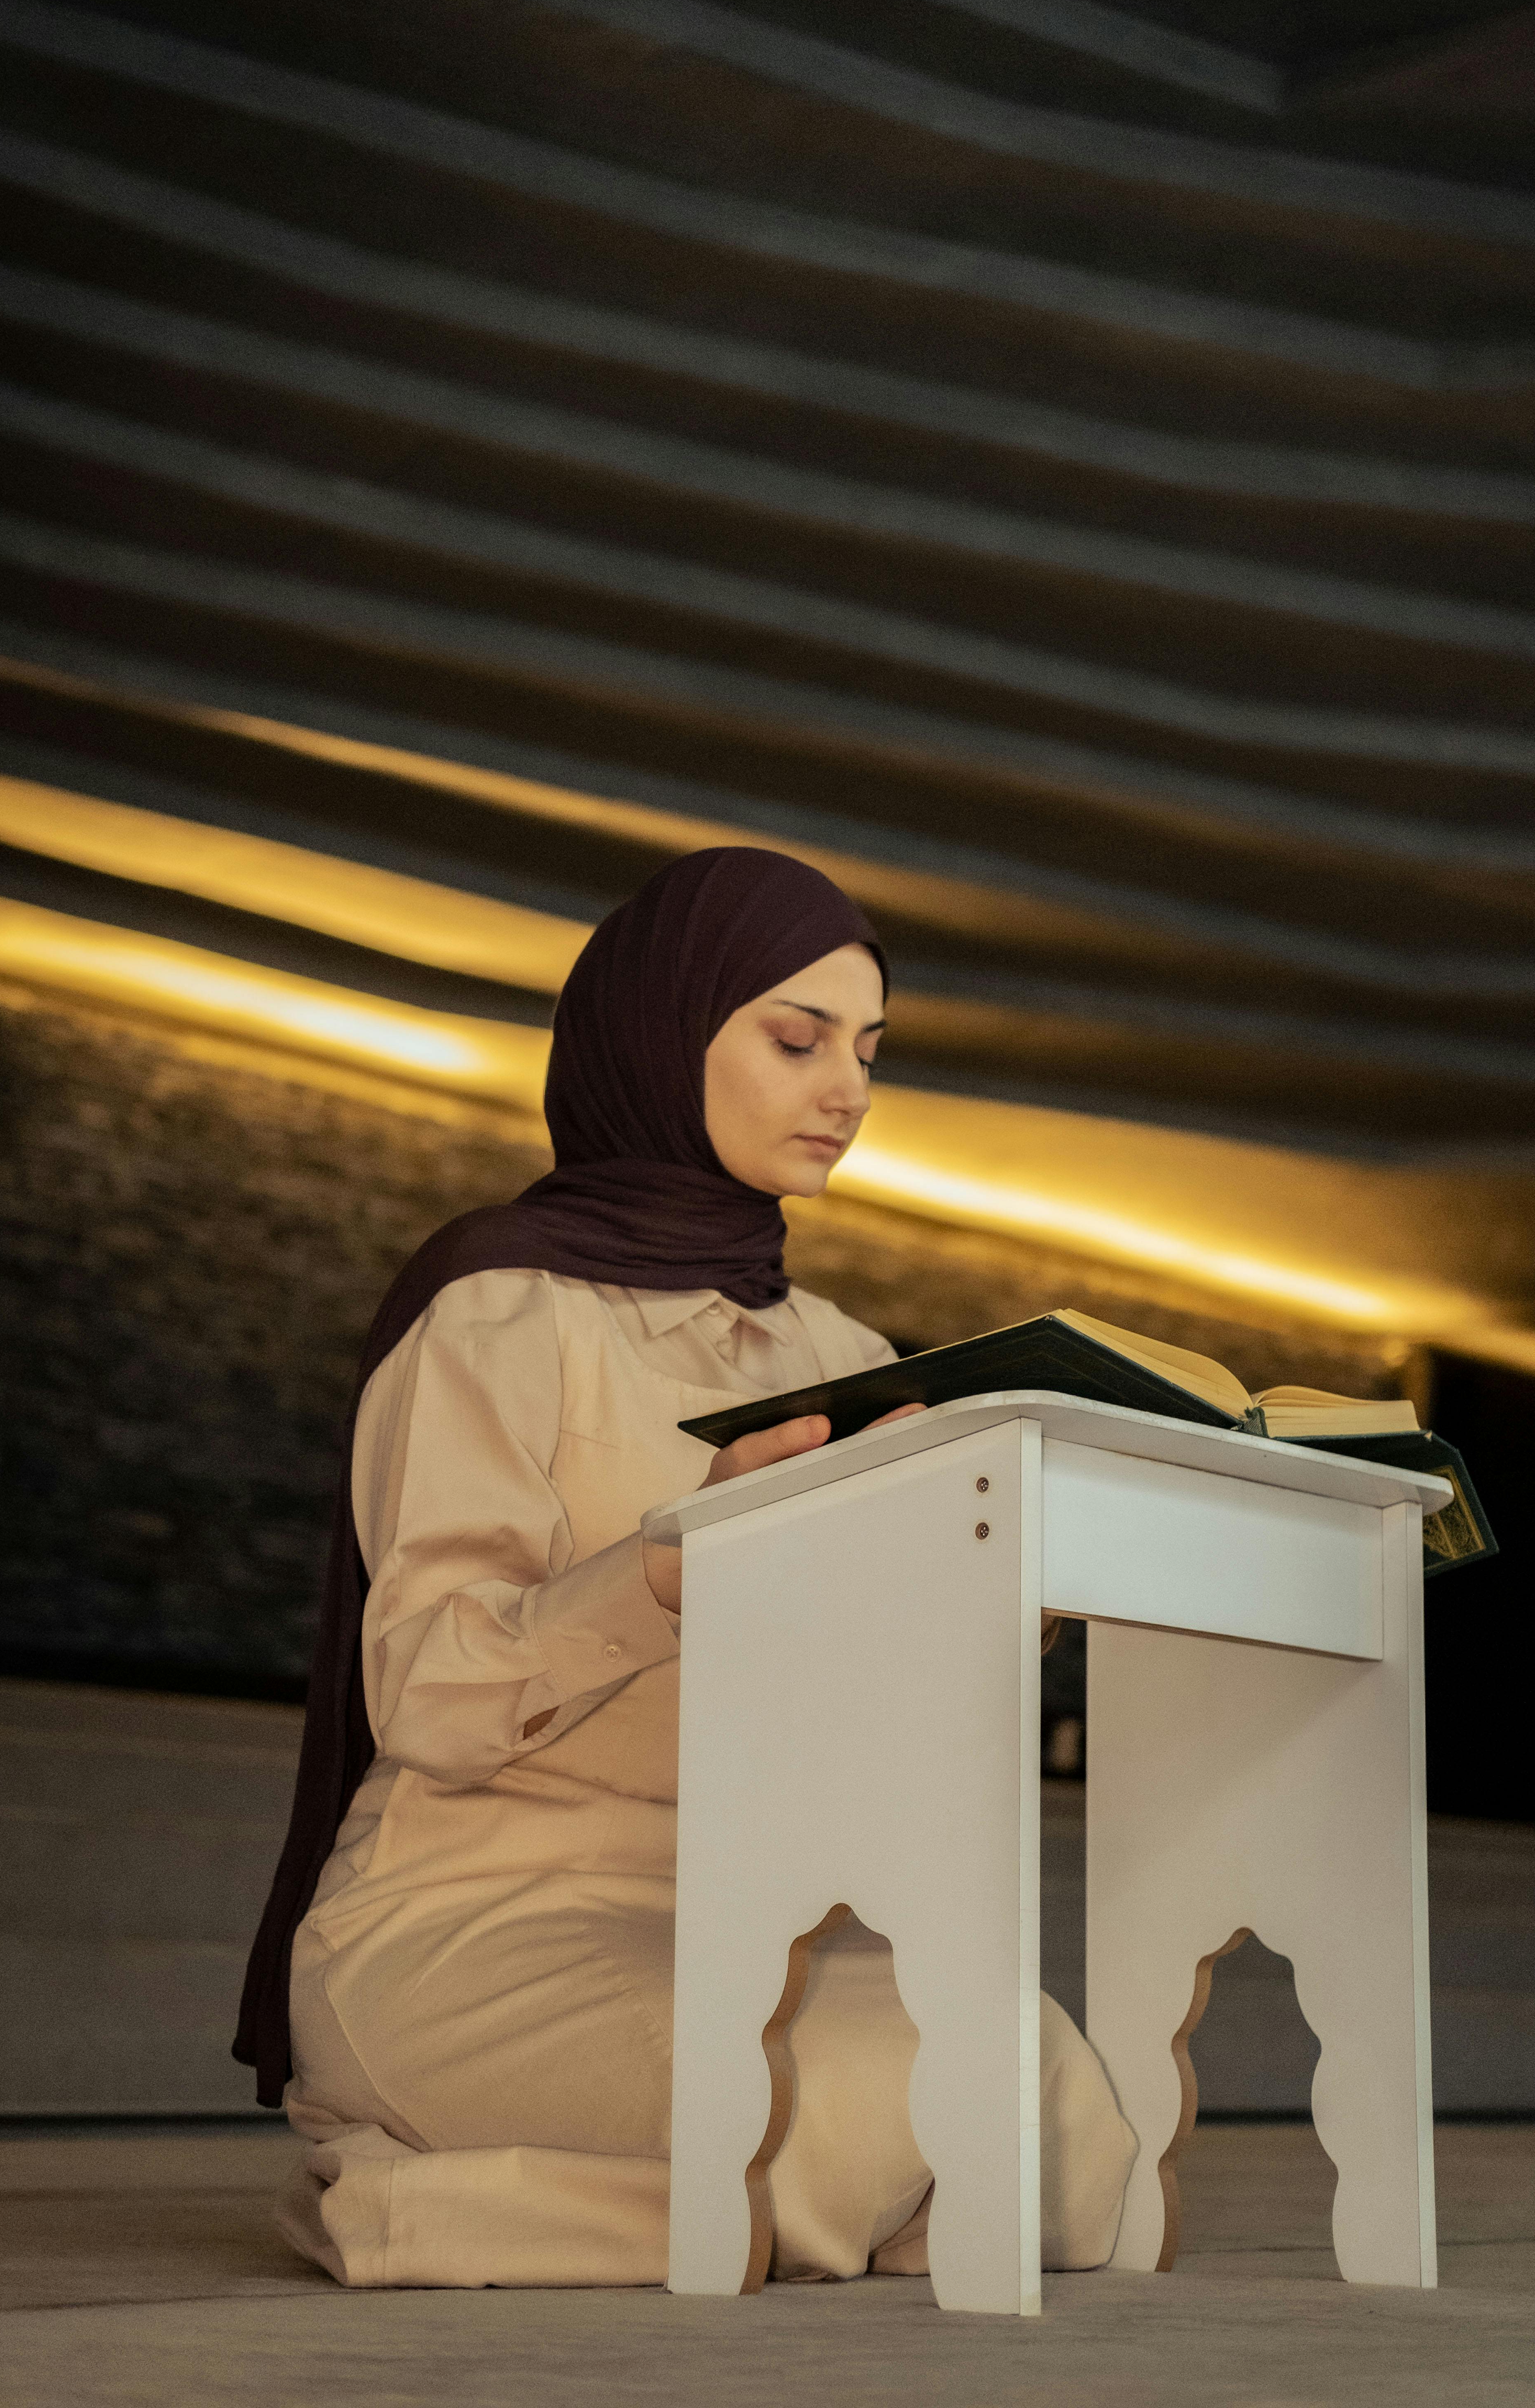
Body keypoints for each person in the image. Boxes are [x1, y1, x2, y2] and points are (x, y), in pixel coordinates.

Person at [236, 846, 1136, 2288]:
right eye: (797, 1039)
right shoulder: (494, 1309)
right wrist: (674, 1564)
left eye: (868, 1051)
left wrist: (1002, 1586)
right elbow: (428, 1693)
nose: (846, 1090)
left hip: (737, 1920)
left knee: (1060, 2111)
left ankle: (538, 2204)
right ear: (665, 1033)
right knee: (858, 2118)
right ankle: (411, 2207)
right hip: (476, 1921)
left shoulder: (844, 1356)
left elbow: (877, 1711)